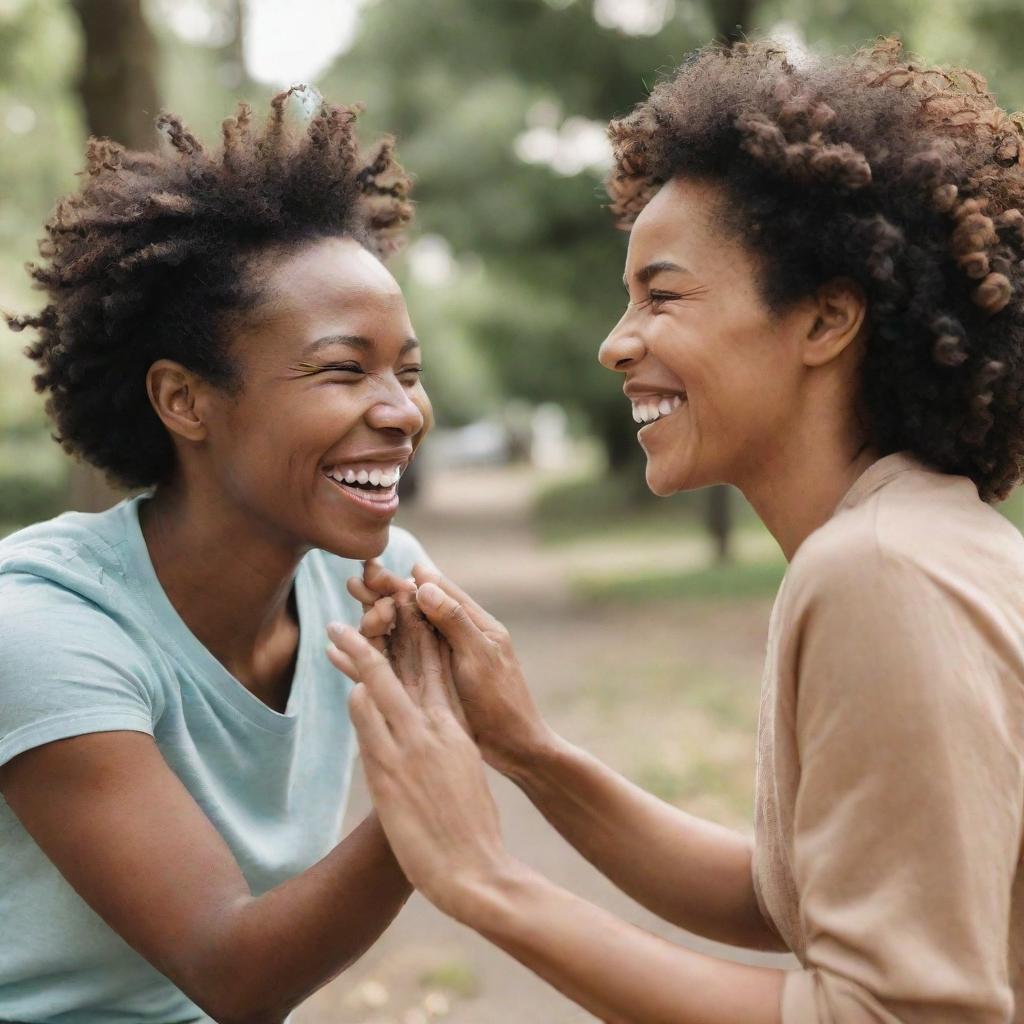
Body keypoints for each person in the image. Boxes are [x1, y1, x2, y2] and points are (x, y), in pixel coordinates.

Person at [330, 38, 1024, 1023]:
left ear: (825, 321)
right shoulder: (912, 534)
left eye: (661, 294)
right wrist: (526, 748)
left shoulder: (879, 571)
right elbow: (786, 897)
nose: (615, 343)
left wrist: (488, 881)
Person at [0, 88, 433, 1023]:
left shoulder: (374, 577)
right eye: (343, 369)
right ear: (184, 401)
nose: (401, 411)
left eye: (408, 368)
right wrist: (440, 777)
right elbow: (230, 969)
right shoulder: (40, 627)